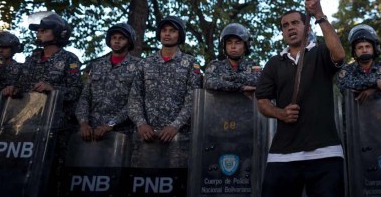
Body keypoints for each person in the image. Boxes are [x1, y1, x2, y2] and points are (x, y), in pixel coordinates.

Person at [255, 0, 345, 197]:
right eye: (285, 25)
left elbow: (340, 55)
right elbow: (262, 100)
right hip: (283, 156)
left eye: (296, 22)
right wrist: (280, 113)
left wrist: (319, 15)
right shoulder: (274, 63)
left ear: (306, 26)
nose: (290, 28)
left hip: (325, 152)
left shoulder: (320, 53)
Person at [127, 15, 202, 144]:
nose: (167, 34)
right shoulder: (145, 63)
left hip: (179, 137)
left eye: (172, 31)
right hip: (146, 136)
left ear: (180, 35)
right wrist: (141, 124)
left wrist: (175, 125)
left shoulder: (190, 63)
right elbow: (134, 98)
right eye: (164, 30)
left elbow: (193, 100)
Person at [3, 13, 83, 126]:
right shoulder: (32, 58)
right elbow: (23, 85)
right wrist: (14, 89)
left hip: (54, 124)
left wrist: (52, 89)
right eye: (39, 31)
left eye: (44, 31)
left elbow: (76, 91)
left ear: (59, 34)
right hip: (25, 122)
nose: (39, 34)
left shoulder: (70, 59)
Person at [76, 23, 140, 141]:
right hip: (90, 132)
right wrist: (83, 123)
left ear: (129, 41)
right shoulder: (97, 65)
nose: (116, 41)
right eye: (114, 38)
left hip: (120, 134)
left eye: (121, 38)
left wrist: (110, 124)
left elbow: (135, 102)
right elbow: (85, 97)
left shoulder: (138, 66)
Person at [337, 24, 381, 104]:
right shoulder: (347, 70)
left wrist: (375, 90)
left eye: (368, 46)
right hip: (356, 114)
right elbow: (345, 86)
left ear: (374, 48)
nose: (364, 50)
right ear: (354, 51)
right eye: (360, 47)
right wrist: (377, 82)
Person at [203, 23, 260, 96]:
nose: (233, 46)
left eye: (238, 43)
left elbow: (259, 82)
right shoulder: (215, 65)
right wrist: (241, 88)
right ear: (225, 46)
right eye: (229, 43)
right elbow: (208, 82)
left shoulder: (253, 66)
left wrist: (226, 79)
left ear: (245, 46)